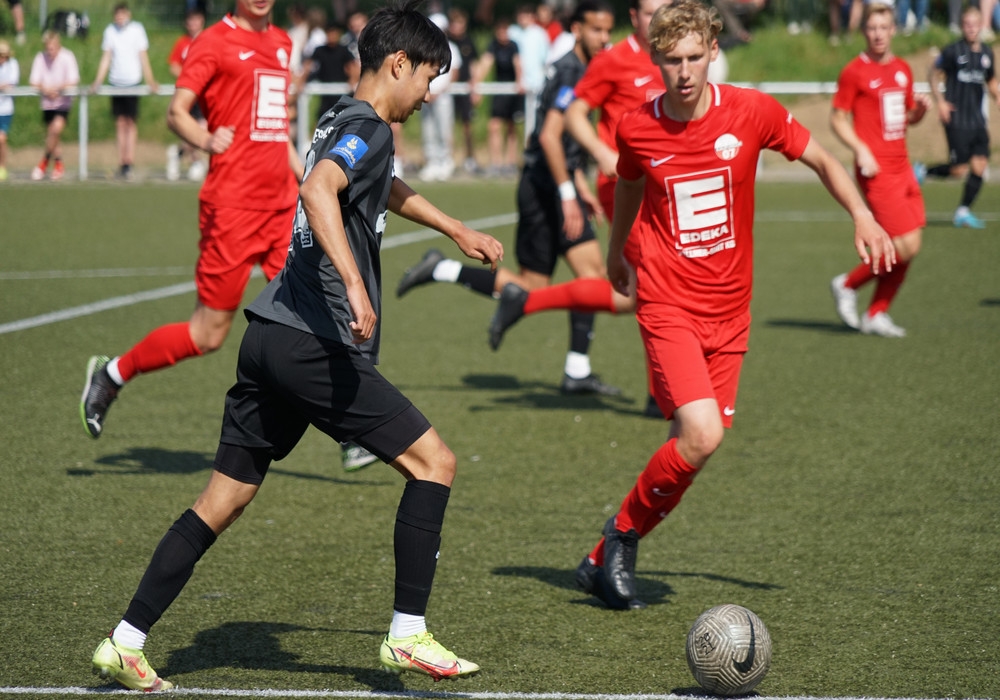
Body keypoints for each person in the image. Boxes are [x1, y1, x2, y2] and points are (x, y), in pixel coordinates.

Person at [88, 1, 502, 689]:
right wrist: (356, 285)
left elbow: (374, 184)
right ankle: (408, 634)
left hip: (269, 335)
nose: (430, 94)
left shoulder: (342, 116)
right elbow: (317, 189)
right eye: (429, 78)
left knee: (223, 500)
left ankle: (124, 641)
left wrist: (453, 227)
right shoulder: (369, 127)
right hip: (315, 344)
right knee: (435, 463)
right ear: (399, 64)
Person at [567, 0, 895, 610]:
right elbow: (630, 184)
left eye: (695, 57)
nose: (684, 71)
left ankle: (597, 557)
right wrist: (616, 254)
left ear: (714, 51)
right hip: (666, 300)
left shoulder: (751, 111)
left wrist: (862, 215)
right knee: (701, 433)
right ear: (656, 60)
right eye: (672, 60)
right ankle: (622, 536)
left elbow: (822, 157)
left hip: (731, 309)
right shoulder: (637, 127)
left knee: (695, 446)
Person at [80, 0, 303, 441]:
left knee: (312, 314)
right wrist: (205, 137)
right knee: (207, 335)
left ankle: (352, 429)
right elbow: (177, 111)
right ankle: (113, 373)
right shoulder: (213, 42)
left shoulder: (282, 42)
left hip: (282, 208)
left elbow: (277, 129)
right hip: (232, 209)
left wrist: (309, 179)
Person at [397, 0, 619, 396]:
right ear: (577, 29)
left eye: (608, 30)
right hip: (545, 188)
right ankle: (576, 369)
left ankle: (441, 269)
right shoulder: (571, 70)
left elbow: (565, 141)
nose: (604, 38)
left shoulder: (582, 67)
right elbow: (549, 138)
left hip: (553, 183)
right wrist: (568, 193)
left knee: (537, 284)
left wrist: (579, 185)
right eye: (596, 30)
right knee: (587, 277)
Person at [829, 2, 930, 338]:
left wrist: (920, 112)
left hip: (903, 168)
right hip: (877, 172)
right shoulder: (854, 71)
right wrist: (861, 149)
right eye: (872, 28)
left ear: (893, 30)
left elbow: (907, 117)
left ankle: (876, 313)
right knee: (904, 245)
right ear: (864, 31)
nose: (878, 34)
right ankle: (847, 284)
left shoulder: (903, 69)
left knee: (911, 245)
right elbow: (837, 119)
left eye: (884, 28)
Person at [923, 6, 999, 229]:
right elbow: (932, 73)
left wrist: (997, 95)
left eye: (975, 25)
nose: (971, 29)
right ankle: (922, 172)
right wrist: (940, 101)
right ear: (962, 26)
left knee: (980, 165)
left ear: (981, 26)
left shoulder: (987, 54)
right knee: (959, 169)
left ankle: (963, 211)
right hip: (956, 118)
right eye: (967, 24)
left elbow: (991, 80)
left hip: (977, 120)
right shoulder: (953, 51)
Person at [91, 2, 159, 180]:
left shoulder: (137, 29)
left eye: (122, 14)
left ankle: (130, 161)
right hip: (116, 83)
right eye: (117, 14)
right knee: (120, 123)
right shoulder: (110, 31)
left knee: (131, 122)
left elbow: (143, 56)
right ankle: (122, 162)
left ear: (128, 14)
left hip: (133, 82)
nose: (120, 17)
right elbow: (106, 58)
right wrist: (98, 81)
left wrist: (150, 80)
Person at [28, 31, 79, 181]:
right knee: (53, 135)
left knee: (56, 130)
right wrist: (45, 89)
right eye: (48, 48)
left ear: (58, 45)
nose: (50, 52)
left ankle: (43, 163)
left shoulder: (67, 57)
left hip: (63, 102)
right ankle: (58, 165)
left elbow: (73, 80)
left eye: (53, 48)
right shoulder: (40, 58)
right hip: (47, 103)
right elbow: (34, 81)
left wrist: (58, 89)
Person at [476, 17, 523, 177]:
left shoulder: (513, 46)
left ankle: (510, 163)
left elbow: (518, 65)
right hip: (499, 90)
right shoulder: (493, 45)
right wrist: (476, 84)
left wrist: (519, 82)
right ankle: (496, 163)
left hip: (512, 91)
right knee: (494, 126)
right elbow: (485, 64)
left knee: (511, 127)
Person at [166, 7, 207, 182]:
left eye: (196, 20)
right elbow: (173, 66)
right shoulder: (182, 43)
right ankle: (195, 161)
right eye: (190, 21)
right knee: (190, 127)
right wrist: (191, 78)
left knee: (202, 127)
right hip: (189, 93)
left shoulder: (209, 40)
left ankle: (179, 153)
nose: (193, 24)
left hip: (204, 93)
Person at [418, 15, 460, 182]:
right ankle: (432, 162)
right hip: (426, 95)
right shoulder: (423, 48)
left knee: (444, 129)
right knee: (428, 130)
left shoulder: (452, 48)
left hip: (442, 96)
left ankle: (446, 161)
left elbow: (454, 73)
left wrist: (440, 92)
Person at [300, 20, 360, 126]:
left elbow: (352, 66)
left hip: (342, 94)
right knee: (320, 122)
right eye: (329, 33)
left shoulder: (344, 50)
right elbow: (308, 65)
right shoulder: (320, 50)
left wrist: (352, 80)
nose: (332, 36)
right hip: (325, 95)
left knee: (344, 123)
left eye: (334, 33)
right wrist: (302, 80)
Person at [446, 8, 480, 174]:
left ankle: (470, 158)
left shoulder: (468, 41)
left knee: (467, 125)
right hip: (449, 89)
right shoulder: (445, 42)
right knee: (448, 125)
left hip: (465, 88)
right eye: (454, 23)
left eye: (460, 23)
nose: (457, 27)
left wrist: (475, 88)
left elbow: (474, 65)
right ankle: (449, 158)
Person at [0, 39, 16, 182]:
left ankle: (2, 166)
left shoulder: (12, 65)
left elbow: (12, 83)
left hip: (5, 109)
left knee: (1, 139)